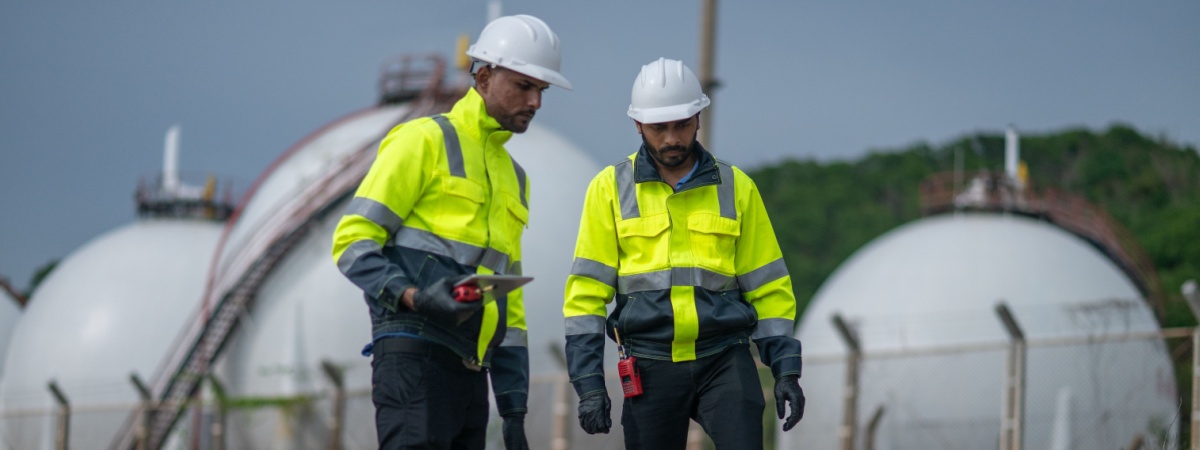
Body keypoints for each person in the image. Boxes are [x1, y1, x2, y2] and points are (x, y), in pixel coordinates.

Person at [331, 14, 570, 450]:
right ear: (482, 78)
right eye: (523, 86)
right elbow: (352, 243)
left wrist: (514, 408)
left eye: (542, 90)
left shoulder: (515, 178)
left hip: (470, 371)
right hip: (413, 356)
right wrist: (414, 297)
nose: (536, 101)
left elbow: (508, 305)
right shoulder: (422, 141)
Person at [562, 58, 805, 449]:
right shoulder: (608, 189)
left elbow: (770, 288)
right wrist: (589, 384)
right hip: (649, 363)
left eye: (681, 124)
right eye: (659, 127)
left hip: (725, 358)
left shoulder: (736, 187)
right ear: (638, 125)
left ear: (698, 118)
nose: (672, 138)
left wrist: (786, 371)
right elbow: (586, 294)